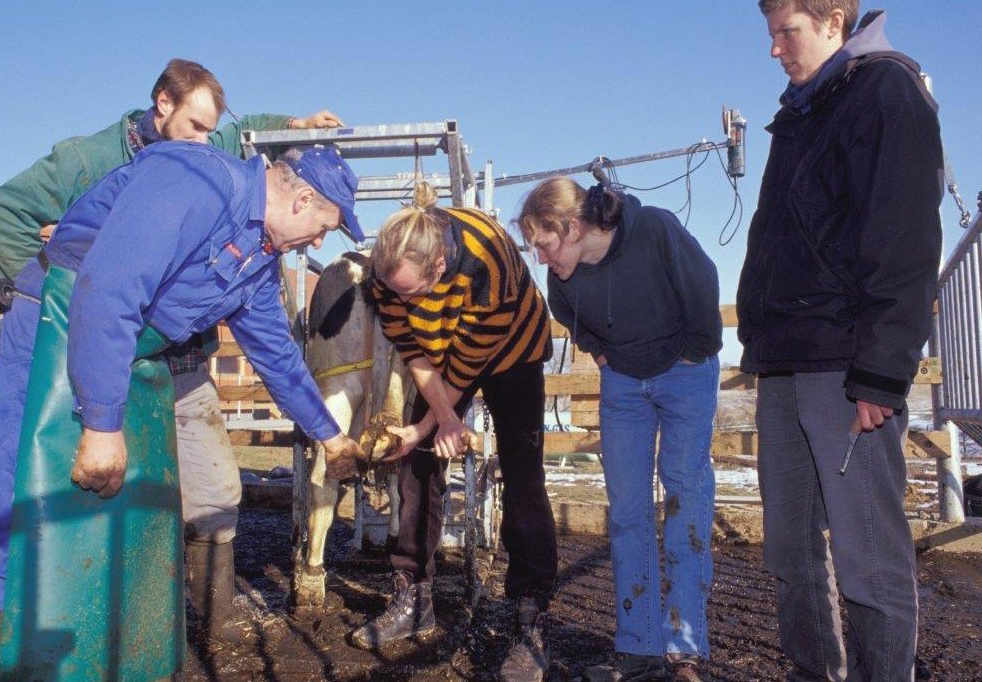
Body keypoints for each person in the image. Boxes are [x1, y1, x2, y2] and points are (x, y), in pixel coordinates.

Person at [0, 57, 344, 650]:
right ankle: (22, 648)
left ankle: (108, 644)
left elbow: (277, 354)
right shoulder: (176, 174)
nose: (321, 242)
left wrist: (329, 434)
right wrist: (34, 288)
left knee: (118, 505)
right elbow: (107, 285)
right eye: (325, 225)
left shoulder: (252, 243)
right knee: (29, 495)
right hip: (57, 318)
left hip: (135, 348)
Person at [737, 2, 943, 680]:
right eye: (770, 34)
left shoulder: (884, 92)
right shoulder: (798, 113)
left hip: (845, 368)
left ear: (834, 19)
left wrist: (882, 375)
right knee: (791, 553)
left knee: (868, 556)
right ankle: (812, 671)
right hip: (787, 364)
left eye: (786, 32)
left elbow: (904, 240)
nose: (774, 49)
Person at [517, 178, 722, 682]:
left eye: (543, 244)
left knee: (684, 496)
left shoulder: (652, 229)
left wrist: (694, 351)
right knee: (628, 509)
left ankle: (686, 651)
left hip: (684, 373)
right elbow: (570, 317)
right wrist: (604, 356)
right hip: (624, 385)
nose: (541, 259)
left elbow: (703, 284)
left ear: (571, 227)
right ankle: (639, 648)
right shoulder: (563, 278)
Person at [351, 182, 557, 682]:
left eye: (410, 292)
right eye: (393, 292)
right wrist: (430, 427)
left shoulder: (490, 259)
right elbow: (416, 353)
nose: (399, 300)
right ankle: (413, 595)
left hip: (513, 350)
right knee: (416, 463)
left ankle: (530, 618)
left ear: (439, 267)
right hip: (442, 354)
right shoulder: (386, 273)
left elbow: (470, 362)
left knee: (522, 473)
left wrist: (439, 421)